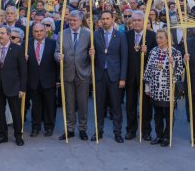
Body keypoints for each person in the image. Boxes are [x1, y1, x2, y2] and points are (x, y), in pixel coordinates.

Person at [55, 10, 91, 141]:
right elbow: (56, 51)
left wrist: (92, 54)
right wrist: (58, 56)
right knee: (69, 104)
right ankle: (69, 129)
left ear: (80, 21)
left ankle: (82, 128)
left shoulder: (88, 35)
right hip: (67, 73)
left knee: (83, 104)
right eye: (70, 20)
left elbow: (91, 53)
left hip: (83, 73)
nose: (71, 22)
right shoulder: (62, 34)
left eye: (74, 20)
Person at [92, 10, 128, 143]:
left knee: (116, 106)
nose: (105, 21)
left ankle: (117, 132)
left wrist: (123, 78)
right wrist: (91, 54)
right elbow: (92, 57)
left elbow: (124, 58)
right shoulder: (95, 35)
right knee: (99, 105)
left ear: (112, 20)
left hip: (115, 76)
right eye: (103, 19)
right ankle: (98, 131)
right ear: (100, 21)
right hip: (100, 75)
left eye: (108, 18)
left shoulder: (120, 36)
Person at [0, 25, 26, 146]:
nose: (0, 35)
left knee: (15, 112)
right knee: (0, 112)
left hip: (13, 86)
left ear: (8, 35)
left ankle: (18, 135)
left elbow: (23, 70)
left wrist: (22, 88)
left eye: (2, 33)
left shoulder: (18, 49)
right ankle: (3, 135)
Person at [144, 29, 183, 147]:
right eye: (157, 38)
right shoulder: (154, 51)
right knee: (157, 114)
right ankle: (159, 135)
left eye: (161, 38)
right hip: (155, 88)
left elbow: (180, 71)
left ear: (168, 39)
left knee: (169, 114)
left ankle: (167, 136)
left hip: (168, 89)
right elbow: (148, 69)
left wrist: (173, 64)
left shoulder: (175, 53)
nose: (158, 40)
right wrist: (147, 87)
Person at [125, 10, 157, 141]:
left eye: (139, 20)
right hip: (130, 75)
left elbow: (156, 56)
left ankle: (146, 131)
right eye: (135, 20)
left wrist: (147, 51)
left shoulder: (152, 36)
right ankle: (131, 130)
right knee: (130, 105)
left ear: (144, 22)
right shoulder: (126, 35)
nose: (137, 23)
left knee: (146, 105)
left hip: (146, 77)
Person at [27, 23, 58, 137]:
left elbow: (56, 63)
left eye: (41, 31)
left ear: (45, 31)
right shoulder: (27, 44)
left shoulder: (53, 44)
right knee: (36, 106)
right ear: (32, 32)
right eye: (36, 31)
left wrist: (58, 79)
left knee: (50, 105)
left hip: (49, 79)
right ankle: (35, 127)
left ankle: (49, 127)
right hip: (33, 80)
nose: (38, 33)